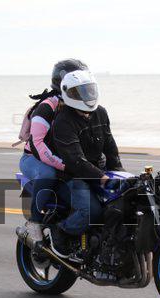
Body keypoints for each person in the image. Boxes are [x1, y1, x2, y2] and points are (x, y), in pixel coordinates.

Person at [48, 69, 124, 258]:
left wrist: (120, 173)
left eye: (88, 90)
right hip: (72, 176)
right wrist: (103, 178)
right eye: (79, 92)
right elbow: (76, 160)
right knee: (91, 211)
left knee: (125, 202)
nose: (86, 96)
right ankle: (61, 231)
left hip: (97, 171)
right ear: (68, 93)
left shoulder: (100, 113)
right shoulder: (63, 121)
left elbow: (110, 146)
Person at [19, 59, 88, 244]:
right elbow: (38, 145)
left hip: (60, 157)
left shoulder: (79, 105)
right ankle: (34, 221)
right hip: (33, 158)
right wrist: (63, 165)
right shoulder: (48, 106)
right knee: (48, 173)